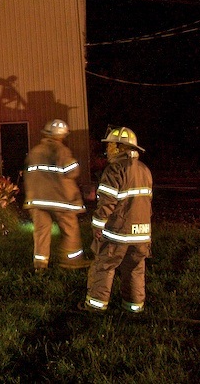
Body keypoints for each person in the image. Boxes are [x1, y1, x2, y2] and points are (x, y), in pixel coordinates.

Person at [82, 126, 153, 313]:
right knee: (135, 269)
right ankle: (134, 307)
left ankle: (95, 306)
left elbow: (107, 202)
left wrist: (97, 225)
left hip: (118, 233)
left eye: (110, 145)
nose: (107, 150)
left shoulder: (115, 170)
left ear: (119, 147)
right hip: (141, 233)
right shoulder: (145, 170)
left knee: (103, 266)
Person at [23, 119, 91, 272]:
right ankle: (71, 261)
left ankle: (40, 266)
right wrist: (75, 163)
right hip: (60, 200)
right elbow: (72, 171)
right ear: (62, 135)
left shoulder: (35, 151)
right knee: (70, 229)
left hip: (37, 200)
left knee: (41, 233)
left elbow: (28, 174)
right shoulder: (62, 151)